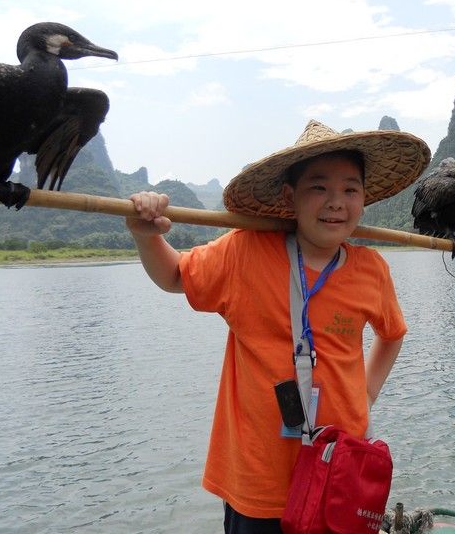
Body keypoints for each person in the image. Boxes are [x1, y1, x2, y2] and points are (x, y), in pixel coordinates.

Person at [126, 120, 430, 533]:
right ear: (290, 196)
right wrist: (146, 236)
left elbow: (392, 334)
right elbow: (175, 275)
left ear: (364, 198)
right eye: (319, 187)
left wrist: (367, 393)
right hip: (258, 480)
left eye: (350, 190)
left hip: (338, 469)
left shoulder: (370, 269)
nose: (336, 202)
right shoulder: (245, 252)